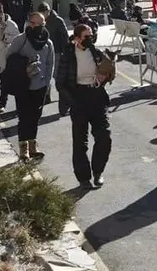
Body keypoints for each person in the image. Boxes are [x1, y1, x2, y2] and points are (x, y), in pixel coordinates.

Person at [57, 24, 114, 188]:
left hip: (96, 96)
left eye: (91, 35)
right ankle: (83, 177)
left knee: (104, 136)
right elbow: (60, 83)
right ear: (77, 38)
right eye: (86, 36)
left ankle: (98, 172)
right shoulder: (68, 55)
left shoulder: (96, 53)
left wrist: (105, 77)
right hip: (78, 97)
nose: (90, 39)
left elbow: (109, 72)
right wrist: (72, 100)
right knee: (80, 140)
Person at [6, 12, 55, 162]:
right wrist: (24, 67)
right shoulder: (20, 40)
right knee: (24, 116)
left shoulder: (48, 43)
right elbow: (9, 60)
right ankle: (23, 148)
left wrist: (47, 85)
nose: (35, 26)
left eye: (39, 24)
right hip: (23, 85)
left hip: (40, 86)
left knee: (35, 116)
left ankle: (33, 145)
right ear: (28, 23)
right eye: (32, 23)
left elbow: (50, 64)